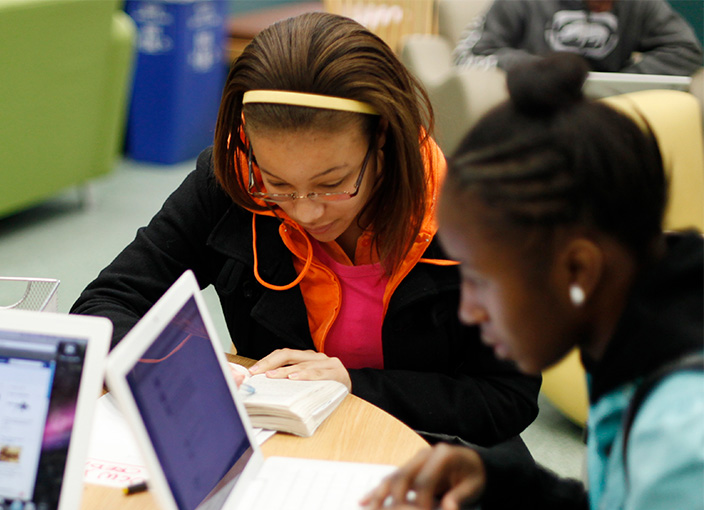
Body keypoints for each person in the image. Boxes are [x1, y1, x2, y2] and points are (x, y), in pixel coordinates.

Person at [307, 53, 703, 510]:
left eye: (483, 281)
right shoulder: (644, 341)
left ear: (577, 269)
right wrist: (509, 487)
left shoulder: (684, 440)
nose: (468, 311)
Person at [71, 12, 540, 447]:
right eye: (279, 184)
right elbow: (103, 307)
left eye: (332, 184)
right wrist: (182, 367)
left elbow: (504, 398)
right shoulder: (233, 184)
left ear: (383, 141)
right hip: (286, 448)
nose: (306, 212)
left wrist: (353, 386)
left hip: (434, 453)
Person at [453, 0, 703, 75]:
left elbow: (687, 50)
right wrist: (539, 71)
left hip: (608, 107)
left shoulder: (640, 4)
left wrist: (625, 80)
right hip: (534, 101)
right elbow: (468, 56)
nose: (607, 7)